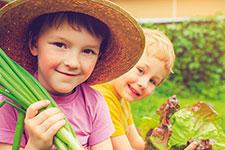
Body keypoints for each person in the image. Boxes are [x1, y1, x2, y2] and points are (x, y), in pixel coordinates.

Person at [0, 0, 145, 149]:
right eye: (60, 45)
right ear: (34, 44)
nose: (73, 63)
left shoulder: (94, 103)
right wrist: (35, 146)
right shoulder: (10, 104)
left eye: (88, 51)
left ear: (98, 56)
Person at [93, 28, 176, 150]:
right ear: (121, 59)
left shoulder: (122, 101)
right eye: (140, 70)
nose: (143, 84)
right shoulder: (103, 98)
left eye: (153, 81)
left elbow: (136, 143)